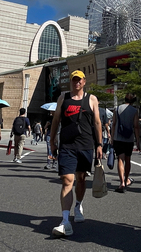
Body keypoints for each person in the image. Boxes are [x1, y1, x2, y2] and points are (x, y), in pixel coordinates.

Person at [49, 70, 104, 238]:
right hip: (67, 145)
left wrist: (100, 144)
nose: (76, 83)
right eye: (74, 80)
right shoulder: (63, 98)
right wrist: (52, 141)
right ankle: (65, 221)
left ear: (84, 81)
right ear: (71, 82)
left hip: (86, 145)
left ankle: (78, 205)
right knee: (67, 180)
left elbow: (97, 122)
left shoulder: (92, 99)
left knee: (81, 178)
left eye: (79, 80)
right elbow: (56, 120)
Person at [111, 92, 141, 193]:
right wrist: (138, 139)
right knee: (128, 159)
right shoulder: (134, 111)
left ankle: (121, 182)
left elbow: (114, 124)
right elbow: (136, 126)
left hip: (118, 138)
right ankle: (126, 179)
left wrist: (112, 137)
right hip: (129, 138)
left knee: (120, 159)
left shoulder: (117, 109)